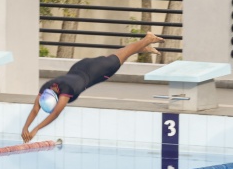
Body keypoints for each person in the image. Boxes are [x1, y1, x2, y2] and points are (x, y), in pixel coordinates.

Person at [21, 32, 164, 143]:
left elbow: (56, 113)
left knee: (121, 56)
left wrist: (36, 129)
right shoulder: (46, 87)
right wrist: (25, 128)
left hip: (96, 72)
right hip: (81, 65)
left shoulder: (66, 92)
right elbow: (35, 109)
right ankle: (143, 47)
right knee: (120, 55)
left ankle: (147, 39)